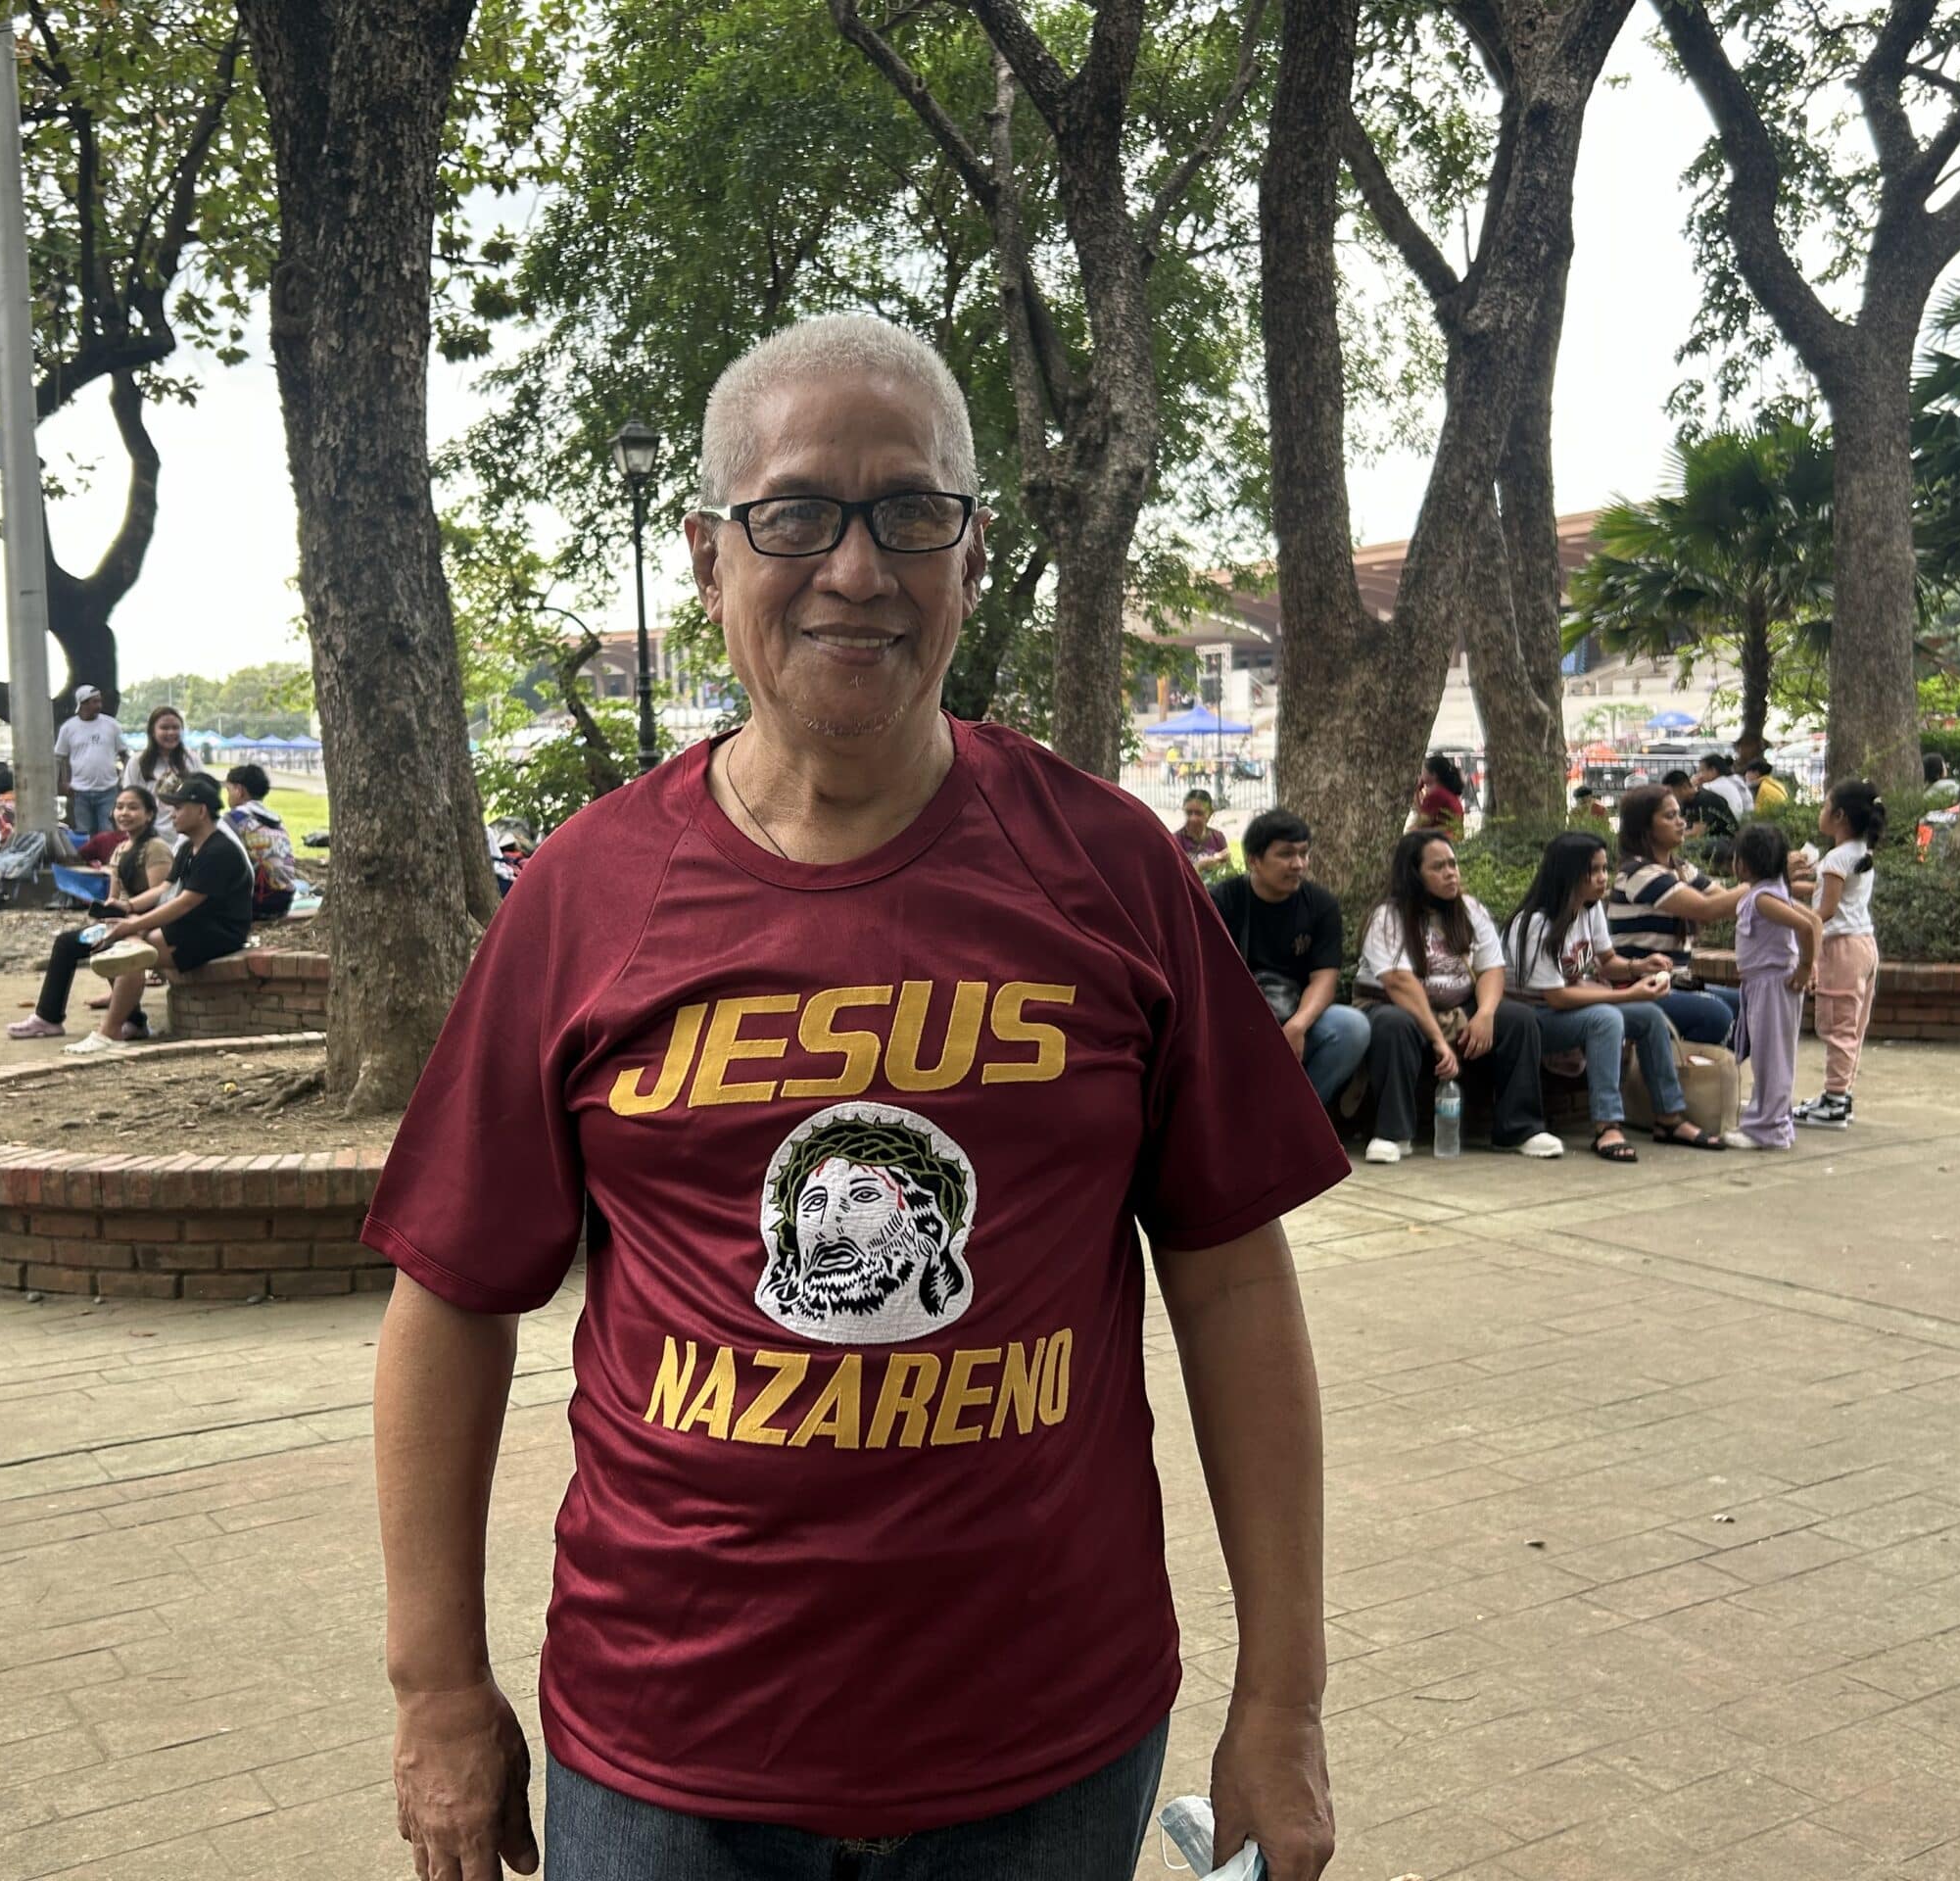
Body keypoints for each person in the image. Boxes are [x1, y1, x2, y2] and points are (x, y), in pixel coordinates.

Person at [366, 314, 1345, 1881]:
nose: (857, 568)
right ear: (706, 557)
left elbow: (1231, 1283)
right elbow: (450, 1304)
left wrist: (1282, 1703)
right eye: (798, 512)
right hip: (667, 1751)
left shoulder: (1109, 871)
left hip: (1048, 1742)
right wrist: (435, 1691)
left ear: (968, 550)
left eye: (911, 512)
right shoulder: (587, 894)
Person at [1502, 832, 1718, 1161]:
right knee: (1606, 1019)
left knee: (1647, 1016)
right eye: (1593, 871)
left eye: (1605, 868)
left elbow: (1608, 962)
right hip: (1534, 1017)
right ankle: (1607, 1125)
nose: (1603, 878)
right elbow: (1556, 997)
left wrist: (1637, 966)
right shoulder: (1535, 924)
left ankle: (1668, 1117)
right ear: (1568, 873)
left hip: (1566, 1008)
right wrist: (1626, 995)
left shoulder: (1589, 910)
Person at [1354, 829, 1562, 1165]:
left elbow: (1492, 968)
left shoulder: (1469, 909)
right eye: (1438, 867)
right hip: (1400, 1007)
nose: (1451, 872)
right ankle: (1392, 1133)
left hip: (1459, 1008)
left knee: (1519, 1020)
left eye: (1453, 864)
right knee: (1392, 1025)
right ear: (1414, 874)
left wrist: (1486, 1014)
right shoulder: (1388, 917)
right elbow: (1399, 983)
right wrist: (1438, 1040)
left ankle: (1520, 1129)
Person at [67, 775, 255, 1054]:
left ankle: (108, 1033)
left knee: (132, 952)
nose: (172, 814)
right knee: (125, 943)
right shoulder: (189, 847)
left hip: (220, 932)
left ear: (201, 811)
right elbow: (166, 889)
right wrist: (129, 912)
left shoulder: (219, 850)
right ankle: (132, 1023)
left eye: (178, 808)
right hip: (192, 925)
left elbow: (185, 903)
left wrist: (134, 926)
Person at [1209, 809, 1367, 1112]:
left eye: (1304, 854)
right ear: (1254, 859)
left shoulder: (1320, 905)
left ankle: (1299, 1119)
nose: (1298, 864)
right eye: (1285, 855)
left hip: (1296, 1015)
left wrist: (1297, 1026)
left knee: (1352, 1027)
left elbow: (1324, 979)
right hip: (1236, 1019)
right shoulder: (1224, 901)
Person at [8, 787, 176, 1039]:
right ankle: (54, 1018)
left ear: (149, 814)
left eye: (133, 807)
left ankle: (52, 1019)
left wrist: (128, 912)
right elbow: (115, 895)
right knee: (69, 942)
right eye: (119, 807)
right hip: (121, 920)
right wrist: (107, 911)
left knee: (86, 945)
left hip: (144, 923)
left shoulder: (156, 848)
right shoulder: (121, 849)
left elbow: (160, 893)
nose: (124, 813)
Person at [1605, 785, 1748, 1046]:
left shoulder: (1680, 868)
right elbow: (1707, 909)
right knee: (1715, 1015)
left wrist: (1772, 883)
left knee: (1748, 1006)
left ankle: (1710, 1077)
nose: (1682, 822)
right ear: (1645, 827)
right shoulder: (1639, 873)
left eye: (1680, 814)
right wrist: (1762, 881)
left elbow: (1722, 899)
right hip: (1639, 986)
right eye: (1669, 816)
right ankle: (1678, 1072)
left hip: (1677, 981)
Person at [1724, 822, 1819, 1150]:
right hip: (1763, 983)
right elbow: (1815, 922)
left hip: (1772, 984)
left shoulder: (1764, 898)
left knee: (1772, 1059)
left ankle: (1770, 1129)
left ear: (1744, 864)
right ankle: (1768, 1122)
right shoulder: (1769, 893)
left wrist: (1806, 966)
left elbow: (1807, 926)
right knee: (1768, 1057)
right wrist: (1809, 964)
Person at [1796, 780, 1886, 1130]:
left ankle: (1834, 1102)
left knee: (1837, 1025)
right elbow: (1830, 892)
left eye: (1824, 807)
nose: (1820, 813)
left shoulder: (1836, 857)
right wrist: (1792, 887)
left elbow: (1828, 909)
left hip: (1841, 949)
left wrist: (1798, 922)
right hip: (1864, 946)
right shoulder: (1860, 852)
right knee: (1853, 1026)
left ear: (1839, 816)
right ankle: (1839, 1096)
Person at [220, 762, 297, 920]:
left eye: (228, 790)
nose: (227, 796)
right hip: (284, 901)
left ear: (239, 790)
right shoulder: (276, 821)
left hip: (256, 904)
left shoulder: (233, 819)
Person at [54, 686, 124, 834]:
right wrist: (65, 781)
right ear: (83, 703)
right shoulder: (68, 728)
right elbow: (61, 757)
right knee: (83, 832)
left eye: (99, 701)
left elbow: (123, 753)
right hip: (79, 792)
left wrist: (124, 779)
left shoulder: (112, 725)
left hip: (108, 789)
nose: (99, 705)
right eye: (94, 702)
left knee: (108, 831)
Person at [122, 704, 210, 817]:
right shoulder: (137, 762)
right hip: (152, 831)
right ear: (152, 732)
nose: (171, 732)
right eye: (164, 728)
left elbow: (206, 793)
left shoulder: (192, 759)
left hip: (186, 831)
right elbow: (129, 799)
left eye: (175, 727)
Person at [1174, 787, 1229, 877]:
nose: (1193, 818)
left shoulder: (1217, 837)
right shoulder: (1176, 840)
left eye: (1199, 813)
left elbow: (1228, 874)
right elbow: (1176, 878)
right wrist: (1200, 866)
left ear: (1210, 813)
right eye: (1189, 813)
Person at [1410, 752, 1466, 837]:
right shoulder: (1443, 792)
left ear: (1433, 775)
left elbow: (1422, 822)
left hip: (1445, 839)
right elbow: (1424, 816)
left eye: (1423, 771)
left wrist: (1416, 792)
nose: (1420, 775)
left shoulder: (1437, 795)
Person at [1697, 752, 1752, 829]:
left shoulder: (1711, 787)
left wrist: (1693, 785)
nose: (1699, 775)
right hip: (1743, 824)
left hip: (1727, 830)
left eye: (1701, 771)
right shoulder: (1735, 780)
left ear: (1713, 770)